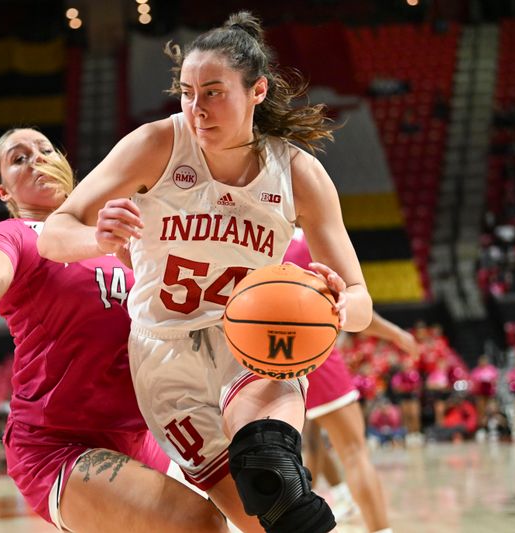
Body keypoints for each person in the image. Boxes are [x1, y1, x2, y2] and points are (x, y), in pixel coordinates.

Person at [39, 11, 373, 533]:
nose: (196, 108)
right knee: (257, 517)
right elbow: (53, 233)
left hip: (255, 342)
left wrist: (340, 304)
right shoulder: (155, 145)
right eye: (187, 92)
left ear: (257, 90)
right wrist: (97, 240)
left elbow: (359, 299)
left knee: (272, 475)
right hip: (164, 357)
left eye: (213, 92)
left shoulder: (299, 174)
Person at [0, 130, 227, 533]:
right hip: (58, 443)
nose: (36, 159)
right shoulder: (12, 235)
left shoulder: (113, 232)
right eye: (19, 158)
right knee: (199, 524)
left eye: (45, 149)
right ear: (4, 191)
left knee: (248, 514)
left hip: (139, 432)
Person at [285, 229, 415, 533]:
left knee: (298, 452)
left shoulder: (246, 233)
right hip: (314, 351)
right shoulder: (309, 239)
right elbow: (352, 308)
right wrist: (395, 333)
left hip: (264, 354)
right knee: (353, 453)